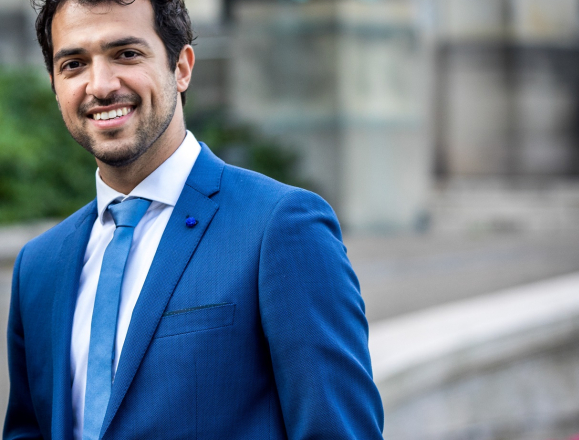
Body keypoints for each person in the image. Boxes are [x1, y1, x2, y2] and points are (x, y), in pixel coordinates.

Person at [3, 0, 385, 437]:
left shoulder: (279, 227)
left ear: (181, 67)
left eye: (126, 54)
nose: (101, 85)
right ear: (55, 85)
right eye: (74, 64)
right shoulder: (39, 266)